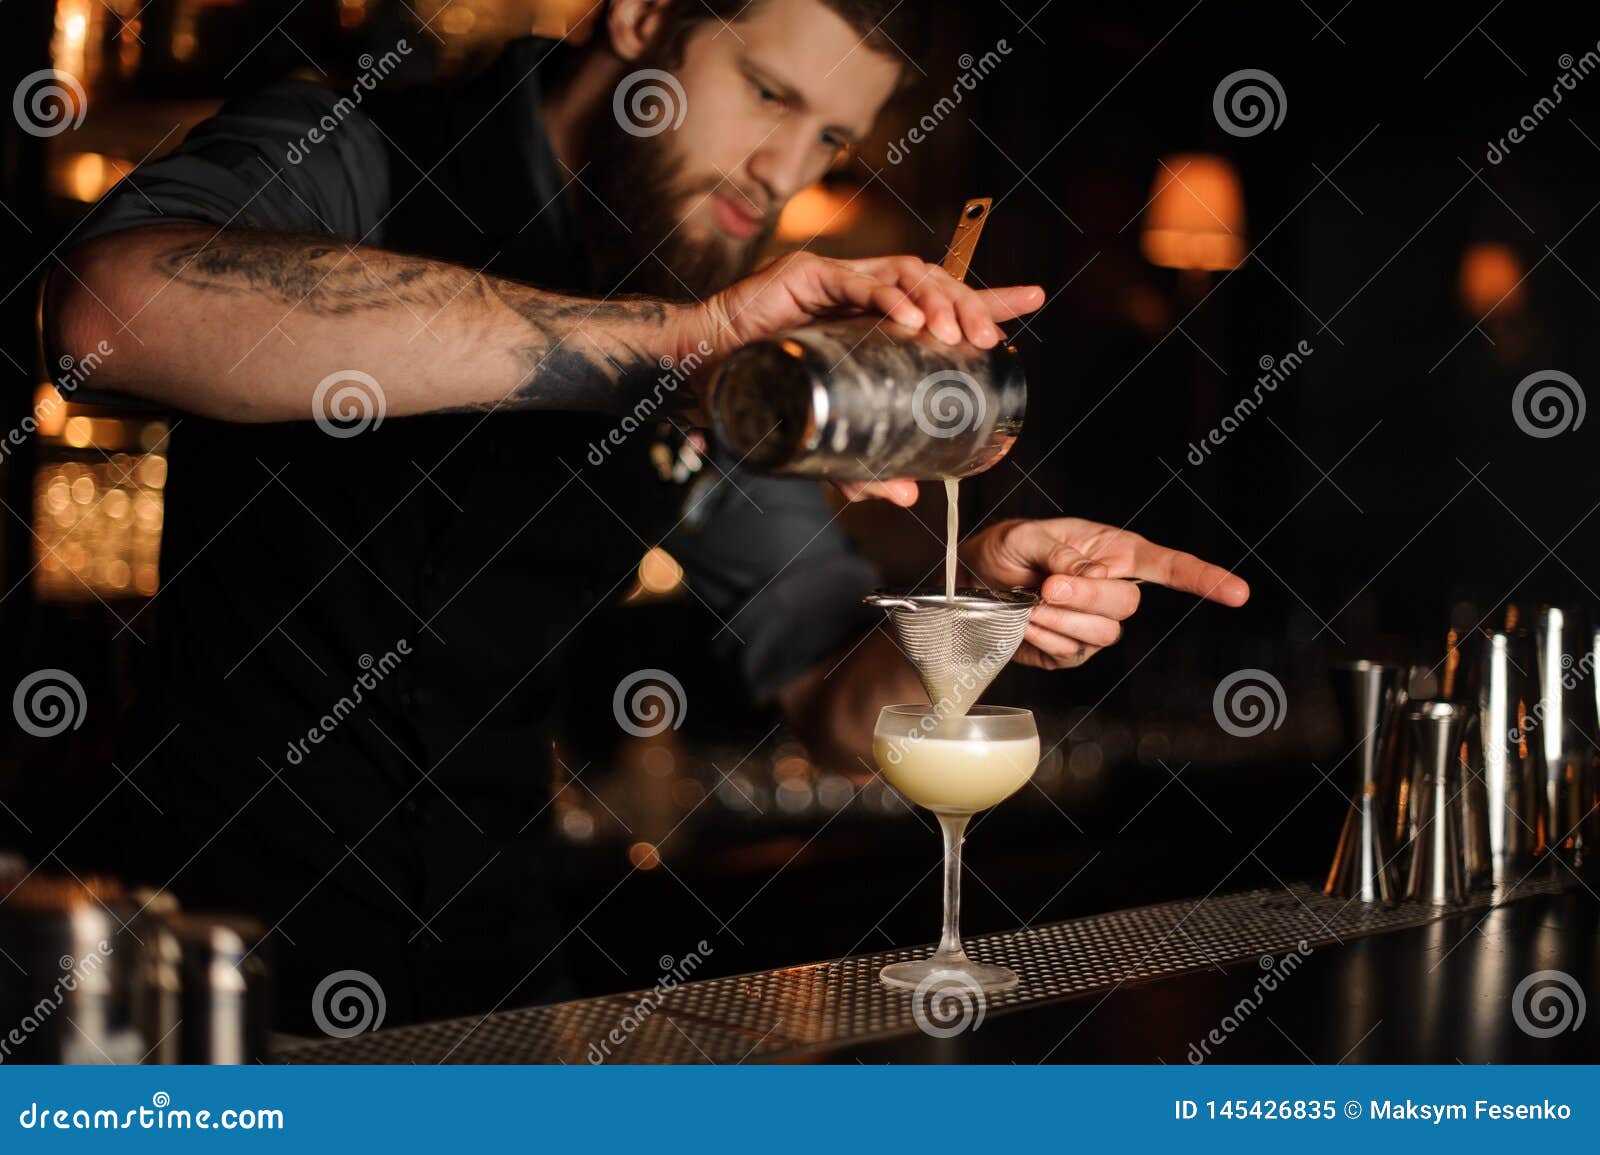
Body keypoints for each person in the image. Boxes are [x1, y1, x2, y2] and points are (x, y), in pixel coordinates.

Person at [44, 0, 1249, 1031]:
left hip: (499, 986)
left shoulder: (725, 349)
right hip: (204, 966)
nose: (783, 169)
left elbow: (835, 706)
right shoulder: (350, 149)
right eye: (766, 91)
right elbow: (106, 315)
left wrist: (974, 602)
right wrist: (679, 343)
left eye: (827, 136)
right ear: (637, 18)